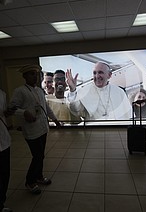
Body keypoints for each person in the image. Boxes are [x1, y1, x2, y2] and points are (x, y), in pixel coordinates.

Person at [9, 64, 60, 194]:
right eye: (31, 74)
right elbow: (12, 108)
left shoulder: (39, 91)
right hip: (31, 130)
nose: (35, 76)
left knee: (41, 155)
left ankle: (39, 177)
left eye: (36, 74)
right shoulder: (20, 91)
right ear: (24, 76)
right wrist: (24, 113)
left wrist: (54, 119)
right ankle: (30, 181)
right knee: (37, 156)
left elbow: (46, 107)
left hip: (42, 128)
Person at [66, 61, 131, 123]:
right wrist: (72, 90)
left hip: (116, 131)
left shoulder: (119, 92)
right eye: (94, 73)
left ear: (109, 75)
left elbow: (129, 115)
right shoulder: (85, 91)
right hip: (94, 132)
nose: (97, 76)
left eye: (100, 72)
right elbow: (76, 109)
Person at [0, 88, 15, 212]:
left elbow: (3, 114)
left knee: (4, 174)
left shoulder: (2, 93)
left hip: (3, 139)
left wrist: (7, 112)